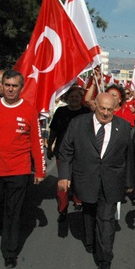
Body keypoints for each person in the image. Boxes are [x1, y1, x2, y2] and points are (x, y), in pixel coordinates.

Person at [0, 70, 46, 269]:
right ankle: (5, 224)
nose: (10, 89)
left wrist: (39, 170)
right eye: (7, 85)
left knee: (14, 210)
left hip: (19, 171)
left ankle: (10, 252)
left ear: (21, 88)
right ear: (2, 86)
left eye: (14, 85)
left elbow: (36, 144)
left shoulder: (29, 110)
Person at [58, 92, 135, 269]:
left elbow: (128, 156)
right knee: (89, 211)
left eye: (110, 109)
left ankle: (104, 258)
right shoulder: (78, 124)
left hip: (112, 181)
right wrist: (64, 176)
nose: (106, 113)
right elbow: (66, 150)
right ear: (95, 106)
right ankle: (90, 241)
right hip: (86, 178)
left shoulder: (123, 127)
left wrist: (129, 182)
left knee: (106, 219)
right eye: (102, 108)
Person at [47, 86, 90, 222]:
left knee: (78, 178)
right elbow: (53, 130)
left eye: (77, 96)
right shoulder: (60, 111)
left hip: (81, 152)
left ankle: (78, 200)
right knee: (63, 180)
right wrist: (49, 146)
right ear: (67, 98)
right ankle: (62, 208)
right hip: (63, 151)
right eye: (72, 96)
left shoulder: (86, 112)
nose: (74, 98)